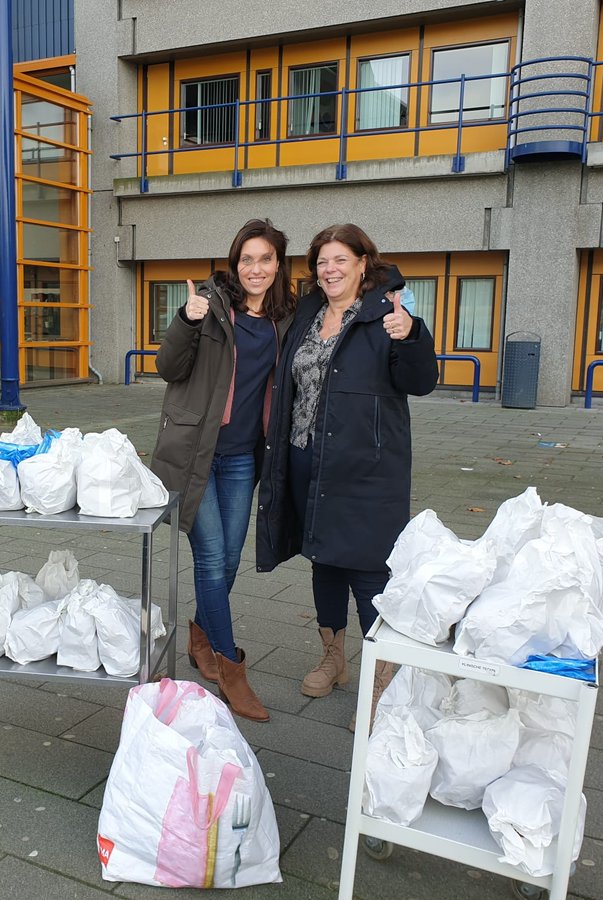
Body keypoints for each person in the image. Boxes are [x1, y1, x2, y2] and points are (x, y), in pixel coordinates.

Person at [255, 223, 437, 726]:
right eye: (322, 261)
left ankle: (384, 680)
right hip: (306, 459)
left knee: (370, 571)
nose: (329, 269)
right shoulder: (309, 313)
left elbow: (421, 381)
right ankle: (333, 658)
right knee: (325, 562)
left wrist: (412, 336)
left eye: (340, 260)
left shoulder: (388, 313)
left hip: (366, 467)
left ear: (362, 263)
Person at [150, 219, 295, 722]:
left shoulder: (285, 318)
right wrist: (185, 320)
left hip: (243, 457)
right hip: (196, 453)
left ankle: (198, 634)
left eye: (265, 259)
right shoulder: (209, 306)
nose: (256, 268)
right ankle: (231, 667)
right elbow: (168, 368)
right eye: (246, 259)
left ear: (278, 264)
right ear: (235, 264)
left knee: (230, 560)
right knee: (212, 558)